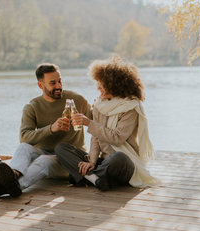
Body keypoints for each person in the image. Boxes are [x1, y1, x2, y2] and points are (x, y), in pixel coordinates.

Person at [0, 63, 92, 198]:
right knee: (23, 147)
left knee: (45, 161)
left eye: (60, 81)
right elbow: (24, 137)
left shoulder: (76, 100)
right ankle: (14, 175)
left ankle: (5, 187)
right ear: (41, 85)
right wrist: (51, 129)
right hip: (43, 153)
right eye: (52, 83)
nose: (58, 86)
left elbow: (97, 120)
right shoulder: (32, 107)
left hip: (68, 159)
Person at [55, 55, 159, 191]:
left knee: (119, 157)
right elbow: (96, 138)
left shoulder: (131, 107)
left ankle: (86, 177)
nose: (98, 88)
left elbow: (117, 138)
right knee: (61, 148)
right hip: (103, 162)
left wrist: (89, 123)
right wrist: (91, 161)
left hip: (122, 163)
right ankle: (96, 179)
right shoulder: (99, 104)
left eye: (101, 84)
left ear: (114, 85)